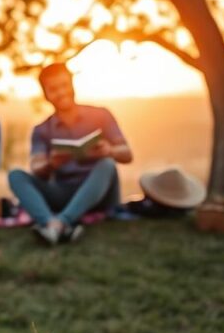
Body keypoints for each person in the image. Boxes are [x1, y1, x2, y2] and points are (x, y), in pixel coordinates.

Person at [9, 62, 133, 245]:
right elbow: (36, 167)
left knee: (107, 164)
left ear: (72, 84)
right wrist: (51, 164)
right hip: (64, 192)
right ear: (46, 95)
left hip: (100, 193)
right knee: (16, 175)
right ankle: (53, 223)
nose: (61, 93)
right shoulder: (42, 130)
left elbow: (127, 154)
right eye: (53, 89)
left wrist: (109, 150)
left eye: (64, 85)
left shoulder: (101, 114)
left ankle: (59, 224)